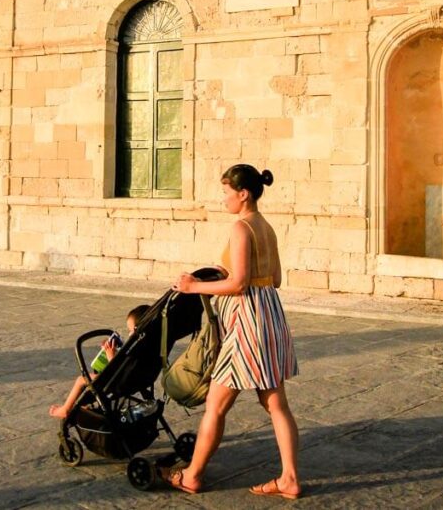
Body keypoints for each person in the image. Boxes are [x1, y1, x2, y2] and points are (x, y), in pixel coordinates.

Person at [165, 164, 301, 499]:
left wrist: (193, 285)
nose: (223, 198)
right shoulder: (265, 227)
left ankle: (192, 475)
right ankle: (290, 479)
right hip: (270, 316)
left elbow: (239, 283)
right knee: (276, 404)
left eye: (227, 192)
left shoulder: (241, 228)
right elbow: (275, 279)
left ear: (243, 194)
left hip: (246, 324)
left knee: (216, 404)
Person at [48, 304, 150, 418]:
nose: (130, 334)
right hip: (141, 380)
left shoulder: (136, 346)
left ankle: (65, 409)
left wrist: (110, 354)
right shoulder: (148, 346)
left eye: (130, 330)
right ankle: (82, 406)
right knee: (95, 376)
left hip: (119, 382)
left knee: (81, 380)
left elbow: (116, 369)